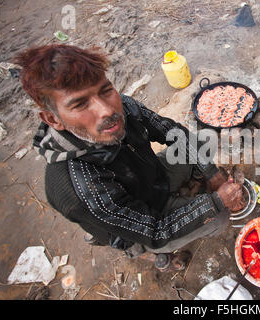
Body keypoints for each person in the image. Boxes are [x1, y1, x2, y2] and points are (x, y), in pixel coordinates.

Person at [15, 44, 243, 271]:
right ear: (53, 120)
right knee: (219, 217)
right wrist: (214, 202)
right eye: (80, 103)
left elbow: (173, 133)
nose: (106, 110)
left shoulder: (124, 106)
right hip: (142, 225)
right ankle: (150, 255)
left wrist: (211, 172)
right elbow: (154, 230)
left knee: (202, 140)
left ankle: (188, 190)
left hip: (155, 179)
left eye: (105, 90)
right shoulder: (79, 185)